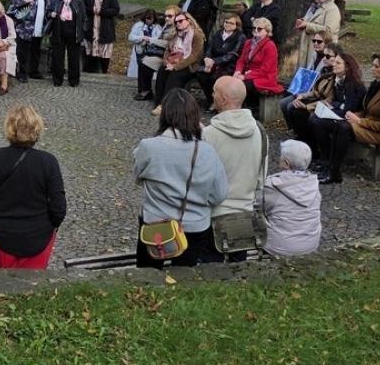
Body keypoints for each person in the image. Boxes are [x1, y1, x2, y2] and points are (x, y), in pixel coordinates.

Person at [133, 90, 228, 267]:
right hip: (195, 226)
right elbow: (219, 194)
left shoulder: (149, 146)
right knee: (185, 279)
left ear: (165, 115)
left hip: (156, 224)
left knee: (148, 276)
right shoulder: (207, 151)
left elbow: (137, 178)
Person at [0, 104, 67, 269]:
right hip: (39, 232)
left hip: (2, 232)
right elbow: (59, 206)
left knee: (5, 285)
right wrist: (51, 226)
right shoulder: (48, 161)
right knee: (34, 285)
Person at [202, 76, 267, 251]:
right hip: (245, 216)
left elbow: (201, 180)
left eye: (215, 91)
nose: (212, 94)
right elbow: (261, 179)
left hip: (214, 217)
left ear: (223, 99)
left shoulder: (209, 135)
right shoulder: (260, 132)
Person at [307, 51, 367, 183]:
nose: (334, 64)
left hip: (352, 120)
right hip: (341, 116)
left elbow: (348, 109)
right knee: (314, 119)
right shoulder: (337, 79)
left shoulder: (355, 84)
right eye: (335, 62)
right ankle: (326, 159)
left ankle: (333, 169)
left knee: (329, 125)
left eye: (338, 63)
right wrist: (337, 106)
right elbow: (334, 101)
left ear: (347, 67)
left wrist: (336, 107)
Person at [262, 141, 322, 257]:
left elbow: (258, 208)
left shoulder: (273, 185)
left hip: (280, 248)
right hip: (311, 244)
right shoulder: (314, 184)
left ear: (286, 163)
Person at [340, 51, 380, 158]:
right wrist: (354, 115)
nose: (372, 69)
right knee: (339, 122)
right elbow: (366, 110)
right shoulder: (375, 84)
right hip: (370, 126)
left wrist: (360, 121)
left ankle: (335, 169)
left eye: (376, 66)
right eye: (372, 65)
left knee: (343, 127)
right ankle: (330, 162)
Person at [150, 8, 203, 115]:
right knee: (162, 71)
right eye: (176, 22)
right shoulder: (176, 34)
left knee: (175, 76)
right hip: (173, 61)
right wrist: (166, 62)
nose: (178, 24)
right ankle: (158, 101)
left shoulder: (197, 35)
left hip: (189, 65)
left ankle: (165, 105)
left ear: (189, 20)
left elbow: (193, 56)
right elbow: (167, 51)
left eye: (181, 21)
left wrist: (176, 66)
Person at [282, 42, 338, 143]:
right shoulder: (325, 70)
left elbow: (329, 99)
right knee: (292, 106)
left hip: (324, 105)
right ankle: (300, 136)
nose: (325, 58)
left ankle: (309, 143)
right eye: (324, 55)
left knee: (299, 112)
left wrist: (307, 106)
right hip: (315, 98)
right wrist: (302, 96)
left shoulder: (334, 74)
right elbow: (315, 90)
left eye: (328, 56)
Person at [45, 0, 88, 87]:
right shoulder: (55, 1)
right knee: (57, 57)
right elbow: (47, 13)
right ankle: (57, 80)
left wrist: (82, 32)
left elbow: (84, 19)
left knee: (74, 58)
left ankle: (74, 80)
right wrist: (52, 14)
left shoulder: (78, 2)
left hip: (74, 33)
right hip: (58, 31)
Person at [196, 13, 246, 102]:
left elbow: (232, 55)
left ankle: (219, 101)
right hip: (213, 63)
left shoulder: (240, 37)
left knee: (215, 77)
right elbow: (209, 49)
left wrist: (214, 61)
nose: (228, 24)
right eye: (226, 22)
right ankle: (210, 99)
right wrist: (207, 59)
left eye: (231, 23)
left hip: (229, 66)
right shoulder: (218, 33)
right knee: (200, 74)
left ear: (237, 25)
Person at [9, 0, 49, 80]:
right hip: (24, 26)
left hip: (39, 25)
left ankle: (34, 71)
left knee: (36, 49)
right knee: (22, 51)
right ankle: (21, 73)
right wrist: (25, 0)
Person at [293, 0, 342, 68]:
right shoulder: (314, 7)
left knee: (317, 73)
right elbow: (309, 20)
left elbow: (329, 31)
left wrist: (307, 25)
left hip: (322, 50)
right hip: (308, 46)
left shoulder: (332, 10)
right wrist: (302, 21)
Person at [234, 17, 283, 97]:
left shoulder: (270, 46)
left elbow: (265, 70)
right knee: (230, 80)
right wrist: (238, 71)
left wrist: (245, 76)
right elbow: (241, 60)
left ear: (267, 31)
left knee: (242, 86)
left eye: (259, 29)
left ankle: (245, 107)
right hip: (248, 75)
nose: (255, 30)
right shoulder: (248, 42)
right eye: (254, 28)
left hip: (264, 78)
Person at [82, 0, 120, 74]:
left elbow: (116, 10)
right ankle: (89, 72)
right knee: (89, 51)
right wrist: (92, 10)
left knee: (104, 52)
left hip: (105, 28)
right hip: (90, 27)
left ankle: (104, 73)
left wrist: (101, 11)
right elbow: (82, 7)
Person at [129, 8, 166, 91]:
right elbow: (131, 37)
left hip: (151, 52)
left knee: (146, 69)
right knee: (139, 67)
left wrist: (150, 40)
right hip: (139, 50)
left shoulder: (158, 27)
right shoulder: (138, 25)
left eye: (150, 19)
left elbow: (159, 39)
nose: (148, 21)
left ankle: (145, 87)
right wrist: (142, 38)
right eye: (147, 18)